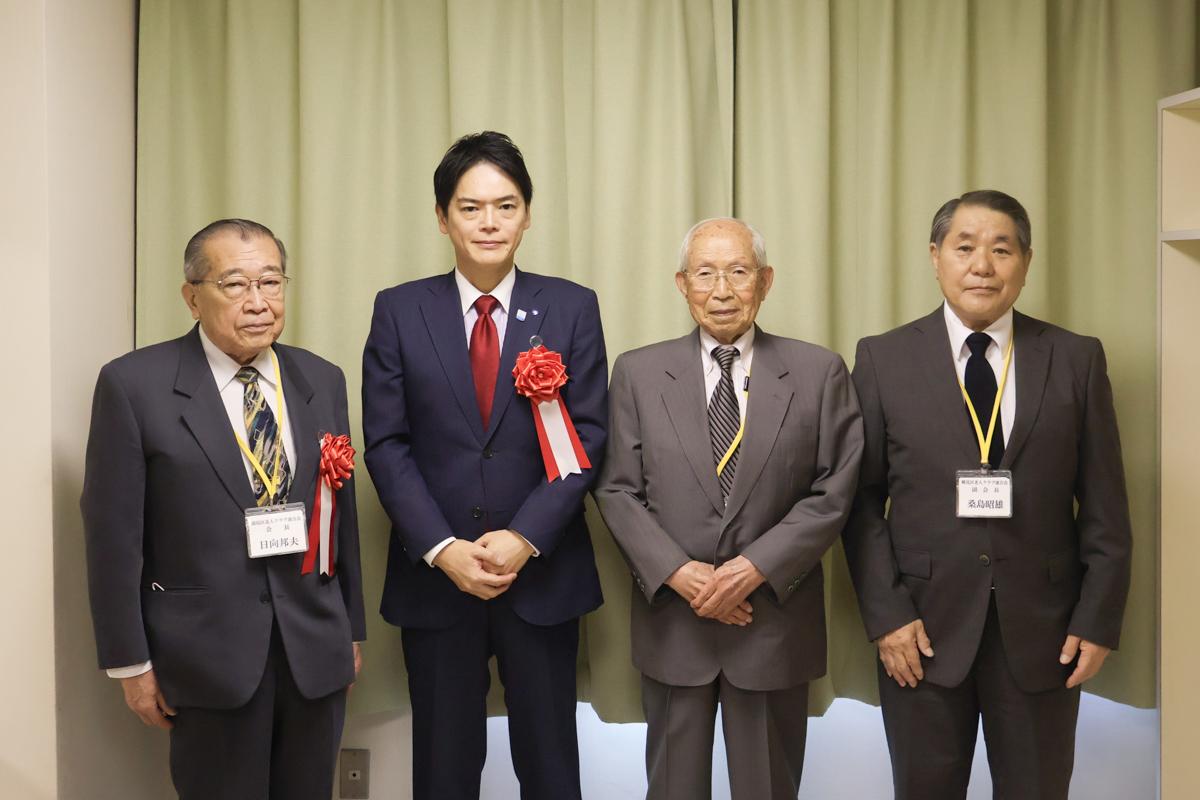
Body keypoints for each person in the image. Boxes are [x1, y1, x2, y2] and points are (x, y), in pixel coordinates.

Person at [843, 189, 1133, 799]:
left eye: (1002, 250)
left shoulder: (1075, 358)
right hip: (920, 632)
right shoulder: (883, 359)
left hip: (1046, 632)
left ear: (1026, 262)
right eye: (965, 248)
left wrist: (1098, 619)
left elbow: (1105, 504)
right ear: (935, 257)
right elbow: (861, 502)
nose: (983, 266)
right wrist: (888, 617)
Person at [81, 218, 365, 799]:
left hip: (314, 648)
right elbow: (112, 537)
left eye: (271, 282)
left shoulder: (321, 378)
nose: (258, 302)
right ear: (192, 297)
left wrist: (350, 630)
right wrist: (130, 663)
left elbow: (343, 518)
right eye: (235, 284)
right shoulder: (134, 385)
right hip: (204, 655)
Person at [362, 131, 608, 800]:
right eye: (470, 208)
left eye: (506, 206)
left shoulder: (571, 307)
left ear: (527, 215)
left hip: (542, 577)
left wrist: (525, 537)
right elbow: (386, 443)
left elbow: (587, 435)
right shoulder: (399, 310)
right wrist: (443, 549)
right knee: (443, 771)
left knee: (551, 769)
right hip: (437, 582)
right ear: (442, 218)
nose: (489, 222)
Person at [595, 217, 863, 799]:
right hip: (675, 623)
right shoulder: (638, 372)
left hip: (772, 624)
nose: (722, 290)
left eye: (739, 272)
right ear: (682, 284)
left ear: (765, 281)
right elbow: (616, 488)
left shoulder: (819, 372)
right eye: (705, 273)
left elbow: (834, 489)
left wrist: (753, 568)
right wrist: (679, 572)